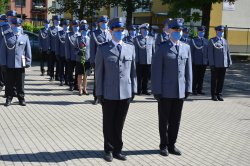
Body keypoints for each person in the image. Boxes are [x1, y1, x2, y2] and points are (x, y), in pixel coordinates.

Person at [95, 17, 137, 162]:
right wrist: (99, 93)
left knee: (120, 123)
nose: (120, 32)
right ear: (110, 31)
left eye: (121, 30)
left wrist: (134, 90)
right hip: (109, 93)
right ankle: (108, 149)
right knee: (108, 123)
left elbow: (133, 72)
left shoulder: (130, 48)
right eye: (117, 30)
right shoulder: (103, 48)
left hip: (125, 93)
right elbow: (99, 73)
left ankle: (118, 149)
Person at [151, 18, 192, 156]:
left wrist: (188, 88)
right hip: (165, 91)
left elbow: (188, 70)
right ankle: (163, 145)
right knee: (164, 120)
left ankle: (172, 144)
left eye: (180, 30)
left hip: (180, 90)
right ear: (170, 31)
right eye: (175, 30)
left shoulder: (186, 47)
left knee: (176, 120)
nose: (178, 32)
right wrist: (156, 90)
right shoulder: (162, 48)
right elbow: (156, 71)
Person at [0, 18, 32, 106]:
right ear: (12, 25)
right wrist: (3, 63)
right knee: (9, 83)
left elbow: (28, 50)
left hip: (21, 64)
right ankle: (8, 98)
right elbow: (2, 51)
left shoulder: (25, 37)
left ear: (20, 26)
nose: (17, 27)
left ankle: (21, 98)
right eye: (15, 25)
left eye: (18, 25)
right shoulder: (6, 36)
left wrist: (28, 61)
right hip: (9, 64)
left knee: (20, 83)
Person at [90, 15, 112, 104]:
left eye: (105, 22)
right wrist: (92, 61)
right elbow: (92, 48)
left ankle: (106, 95)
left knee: (108, 78)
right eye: (102, 22)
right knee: (97, 79)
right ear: (99, 23)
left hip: (108, 60)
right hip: (98, 60)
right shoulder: (94, 33)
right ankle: (96, 97)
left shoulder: (110, 33)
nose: (104, 24)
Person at [208, 25, 232, 101]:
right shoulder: (212, 41)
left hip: (223, 64)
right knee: (214, 80)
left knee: (221, 80)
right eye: (220, 31)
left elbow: (228, 52)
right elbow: (210, 54)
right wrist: (211, 64)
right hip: (215, 64)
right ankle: (213, 95)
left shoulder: (225, 41)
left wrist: (229, 61)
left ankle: (219, 94)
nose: (221, 32)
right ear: (216, 31)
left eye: (222, 31)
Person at [134, 23, 155, 95]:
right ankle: (138, 90)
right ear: (141, 30)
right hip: (140, 61)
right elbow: (136, 51)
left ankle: (145, 90)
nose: (146, 31)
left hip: (148, 61)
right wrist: (137, 61)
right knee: (139, 77)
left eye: (147, 29)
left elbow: (153, 51)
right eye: (144, 29)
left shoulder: (151, 39)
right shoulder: (137, 39)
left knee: (146, 77)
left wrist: (153, 60)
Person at [190, 26, 209, 95]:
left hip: (203, 62)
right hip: (196, 62)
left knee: (201, 77)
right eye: (201, 31)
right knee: (195, 77)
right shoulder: (193, 40)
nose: (202, 33)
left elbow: (207, 52)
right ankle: (193, 89)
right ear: (198, 32)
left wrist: (207, 61)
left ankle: (199, 89)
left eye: (203, 32)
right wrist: (191, 61)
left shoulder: (206, 41)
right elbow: (191, 52)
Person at [75, 23, 91, 96]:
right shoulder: (77, 39)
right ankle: (80, 89)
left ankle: (85, 88)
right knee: (79, 75)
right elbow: (75, 49)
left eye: (85, 30)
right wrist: (79, 52)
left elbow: (91, 49)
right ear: (80, 31)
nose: (84, 31)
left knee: (85, 75)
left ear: (87, 31)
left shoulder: (90, 39)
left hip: (87, 59)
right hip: (79, 59)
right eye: (82, 30)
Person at [65, 20, 80, 91]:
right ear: (72, 26)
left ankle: (76, 84)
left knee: (78, 71)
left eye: (77, 26)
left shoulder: (80, 34)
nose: (76, 27)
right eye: (74, 26)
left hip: (79, 57)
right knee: (70, 71)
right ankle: (71, 84)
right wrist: (67, 56)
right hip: (71, 57)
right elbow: (67, 47)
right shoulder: (68, 35)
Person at [55, 20, 70, 86]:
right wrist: (57, 53)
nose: (66, 27)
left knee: (68, 68)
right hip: (61, 54)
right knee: (61, 68)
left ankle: (66, 79)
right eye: (65, 25)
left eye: (67, 25)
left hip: (68, 54)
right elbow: (57, 44)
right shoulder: (59, 33)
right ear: (62, 26)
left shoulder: (70, 33)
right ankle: (61, 79)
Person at [48, 15, 62, 81]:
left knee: (59, 64)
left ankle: (57, 76)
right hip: (52, 49)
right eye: (56, 21)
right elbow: (48, 39)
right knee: (51, 64)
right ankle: (51, 76)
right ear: (54, 21)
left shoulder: (61, 29)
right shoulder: (50, 29)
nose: (57, 22)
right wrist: (49, 47)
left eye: (58, 21)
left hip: (59, 50)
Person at [0, 14, 9, 92]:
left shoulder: (9, 28)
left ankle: (7, 86)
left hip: (7, 52)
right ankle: (1, 84)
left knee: (6, 70)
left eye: (1, 20)